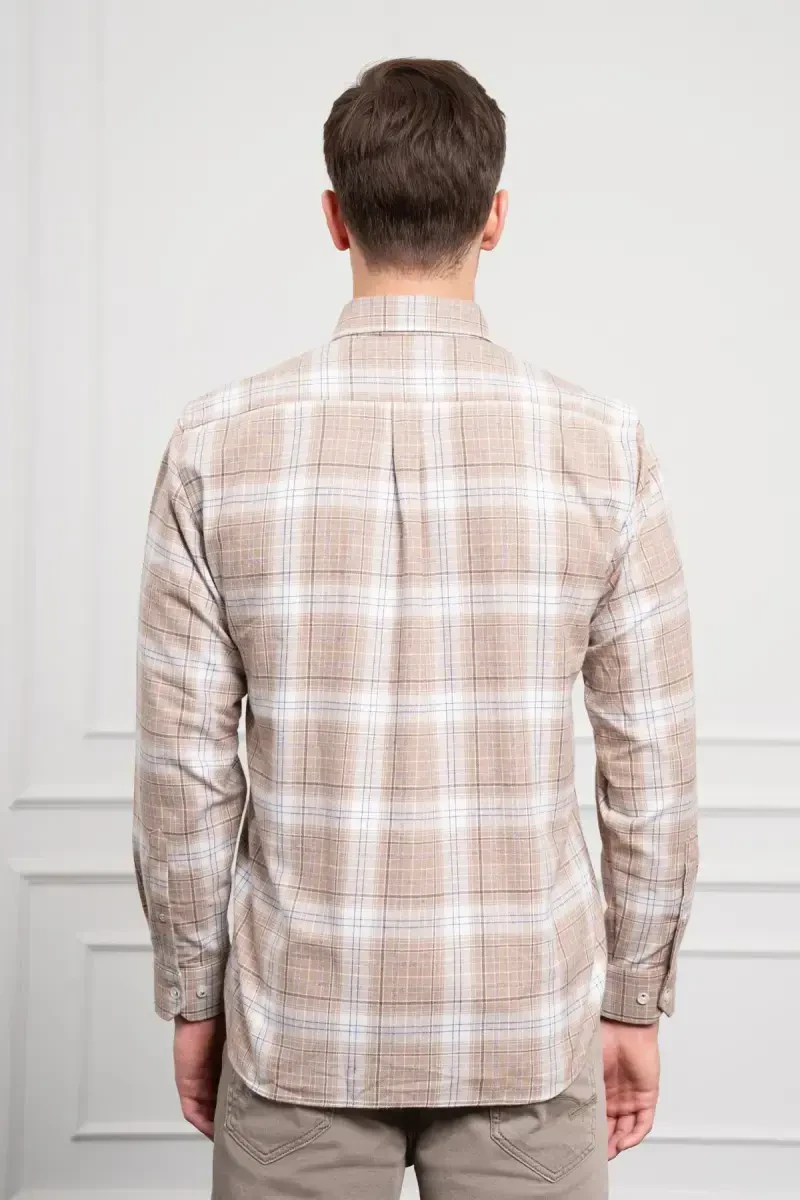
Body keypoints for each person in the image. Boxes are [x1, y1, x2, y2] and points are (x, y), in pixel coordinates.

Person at [133, 56, 698, 1200]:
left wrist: (194, 994)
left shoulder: (212, 447)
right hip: (524, 1029)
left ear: (334, 217)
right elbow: (650, 761)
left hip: (296, 1029)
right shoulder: (603, 447)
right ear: (494, 218)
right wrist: (632, 996)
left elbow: (184, 774)